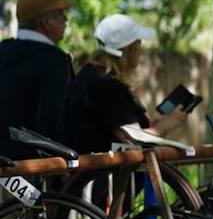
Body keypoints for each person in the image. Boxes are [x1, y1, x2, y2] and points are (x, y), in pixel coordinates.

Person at [67, 14, 188, 155]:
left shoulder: (92, 74)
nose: (141, 48)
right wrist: (165, 125)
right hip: (103, 173)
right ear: (129, 50)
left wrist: (153, 123)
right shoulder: (105, 85)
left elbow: (117, 126)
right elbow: (133, 140)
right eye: (138, 42)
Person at [0, 0, 75, 159]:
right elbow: (50, 120)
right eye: (60, 14)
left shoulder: (3, 51)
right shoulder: (54, 60)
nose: (66, 19)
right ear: (46, 23)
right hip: (34, 167)